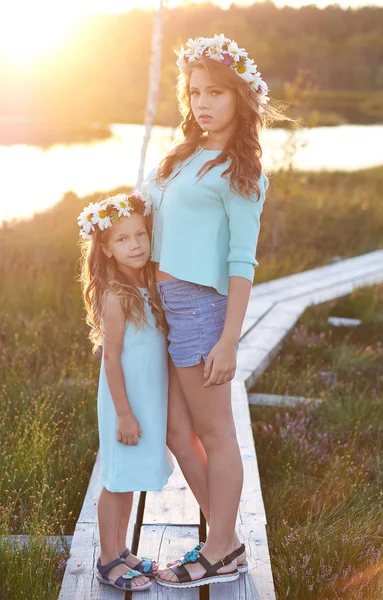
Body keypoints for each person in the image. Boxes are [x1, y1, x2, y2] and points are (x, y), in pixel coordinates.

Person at [141, 34, 276, 589]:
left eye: (217, 92)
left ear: (239, 98)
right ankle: (226, 535)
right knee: (177, 431)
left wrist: (228, 340)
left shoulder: (241, 173)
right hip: (163, 305)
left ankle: (221, 548)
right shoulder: (185, 155)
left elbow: (242, 264)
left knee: (216, 434)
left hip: (201, 309)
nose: (203, 103)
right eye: (195, 92)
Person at [77, 191, 173, 592]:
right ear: (105, 247)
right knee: (116, 480)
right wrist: (125, 414)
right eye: (122, 239)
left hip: (147, 400)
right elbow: (111, 360)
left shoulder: (150, 283)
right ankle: (107, 560)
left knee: (130, 477)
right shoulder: (115, 295)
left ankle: (122, 550)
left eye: (140, 235)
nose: (135, 245)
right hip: (125, 402)